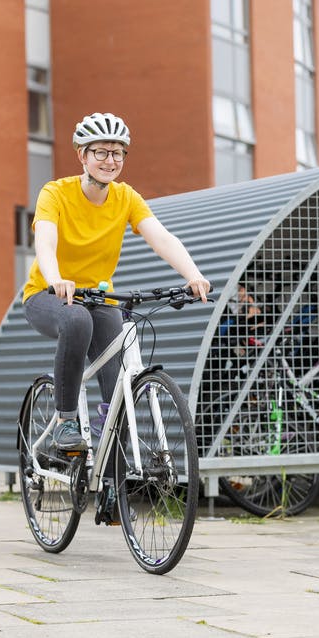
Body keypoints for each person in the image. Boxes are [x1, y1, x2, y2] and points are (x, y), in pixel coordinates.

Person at [22, 112, 211, 453]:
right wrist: (56, 279)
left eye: (118, 152)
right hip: (47, 295)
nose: (110, 160)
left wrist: (193, 275)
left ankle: (111, 472)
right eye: (101, 152)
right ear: (83, 155)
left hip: (97, 297)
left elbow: (162, 239)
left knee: (119, 375)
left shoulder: (126, 197)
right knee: (76, 320)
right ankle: (65, 421)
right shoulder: (56, 193)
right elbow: (45, 242)